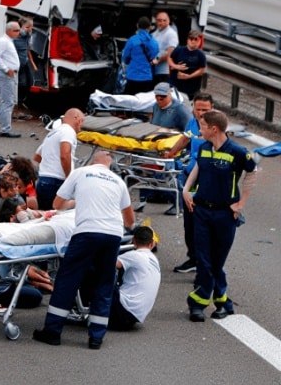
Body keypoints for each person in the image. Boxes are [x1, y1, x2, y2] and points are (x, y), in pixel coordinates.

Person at [32, 149, 134, 349]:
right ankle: (96, 337)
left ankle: (52, 331)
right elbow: (129, 221)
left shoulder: (80, 173)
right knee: (105, 284)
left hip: (87, 232)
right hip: (113, 234)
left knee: (67, 280)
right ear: (109, 164)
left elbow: (57, 204)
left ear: (92, 161)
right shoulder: (118, 182)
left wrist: (78, 201)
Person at [182, 109, 257, 322]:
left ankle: (221, 302)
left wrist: (240, 204)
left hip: (225, 214)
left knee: (216, 261)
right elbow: (198, 168)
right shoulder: (205, 147)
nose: (200, 130)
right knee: (204, 259)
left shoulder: (238, 152)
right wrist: (186, 189)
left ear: (214, 128)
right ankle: (199, 305)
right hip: (202, 211)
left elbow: (252, 172)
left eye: (202, 126)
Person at [162, 93, 214, 273]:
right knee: (189, 223)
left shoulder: (216, 128)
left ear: (212, 108)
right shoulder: (193, 122)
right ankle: (193, 258)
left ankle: (204, 265)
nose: (201, 113)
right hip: (190, 177)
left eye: (205, 110)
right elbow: (185, 138)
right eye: (198, 109)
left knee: (202, 226)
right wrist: (170, 153)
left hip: (206, 182)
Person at [94, 225, 161, 330]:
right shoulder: (153, 259)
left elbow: (109, 264)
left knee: (94, 271)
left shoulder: (134, 255)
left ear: (133, 240)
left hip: (122, 311)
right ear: (152, 243)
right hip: (135, 315)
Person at [34, 108, 83, 211]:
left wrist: (49, 165)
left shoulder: (53, 133)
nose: (81, 125)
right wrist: (69, 177)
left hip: (43, 179)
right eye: (82, 121)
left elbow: (37, 156)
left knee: (44, 214)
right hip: (56, 181)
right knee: (57, 215)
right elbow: (65, 155)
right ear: (76, 118)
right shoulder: (68, 132)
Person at [121, 16, 159, 95]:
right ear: (149, 27)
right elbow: (153, 56)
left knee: (130, 102)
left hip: (132, 76)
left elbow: (125, 57)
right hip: (147, 77)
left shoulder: (132, 40)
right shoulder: (154, 42)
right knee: (144, 103)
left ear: (137, 26)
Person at [168, 29, 207, 99]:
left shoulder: (200, 54)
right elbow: (170, 59)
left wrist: (189, 76)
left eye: (196, 39)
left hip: (191, 89)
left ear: (199, 41)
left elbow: (201, 70)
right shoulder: (179, 50)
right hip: (175, 86)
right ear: (187, 39)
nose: (193, 41)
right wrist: (176, 66)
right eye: (191, 39)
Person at [13, 17, 37, 118]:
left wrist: (32, 63)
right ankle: (15, 110)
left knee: (29, 83)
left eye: (32, 27)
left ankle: (20, 103)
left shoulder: (26, 37)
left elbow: (27, 50)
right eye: (27, 27)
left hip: (25, 63)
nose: (30, 29)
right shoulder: (18, 35)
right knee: (19, 85)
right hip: (18, 65)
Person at [151, 11, 179, 85]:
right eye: (159, 20)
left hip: (164, 72)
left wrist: (158, 60)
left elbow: (170, 52)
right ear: (156, 21)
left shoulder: (171, 33)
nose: (161, 22)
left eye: (164, 20)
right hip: (154, 70)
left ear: (169, 21)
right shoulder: (156, 33)